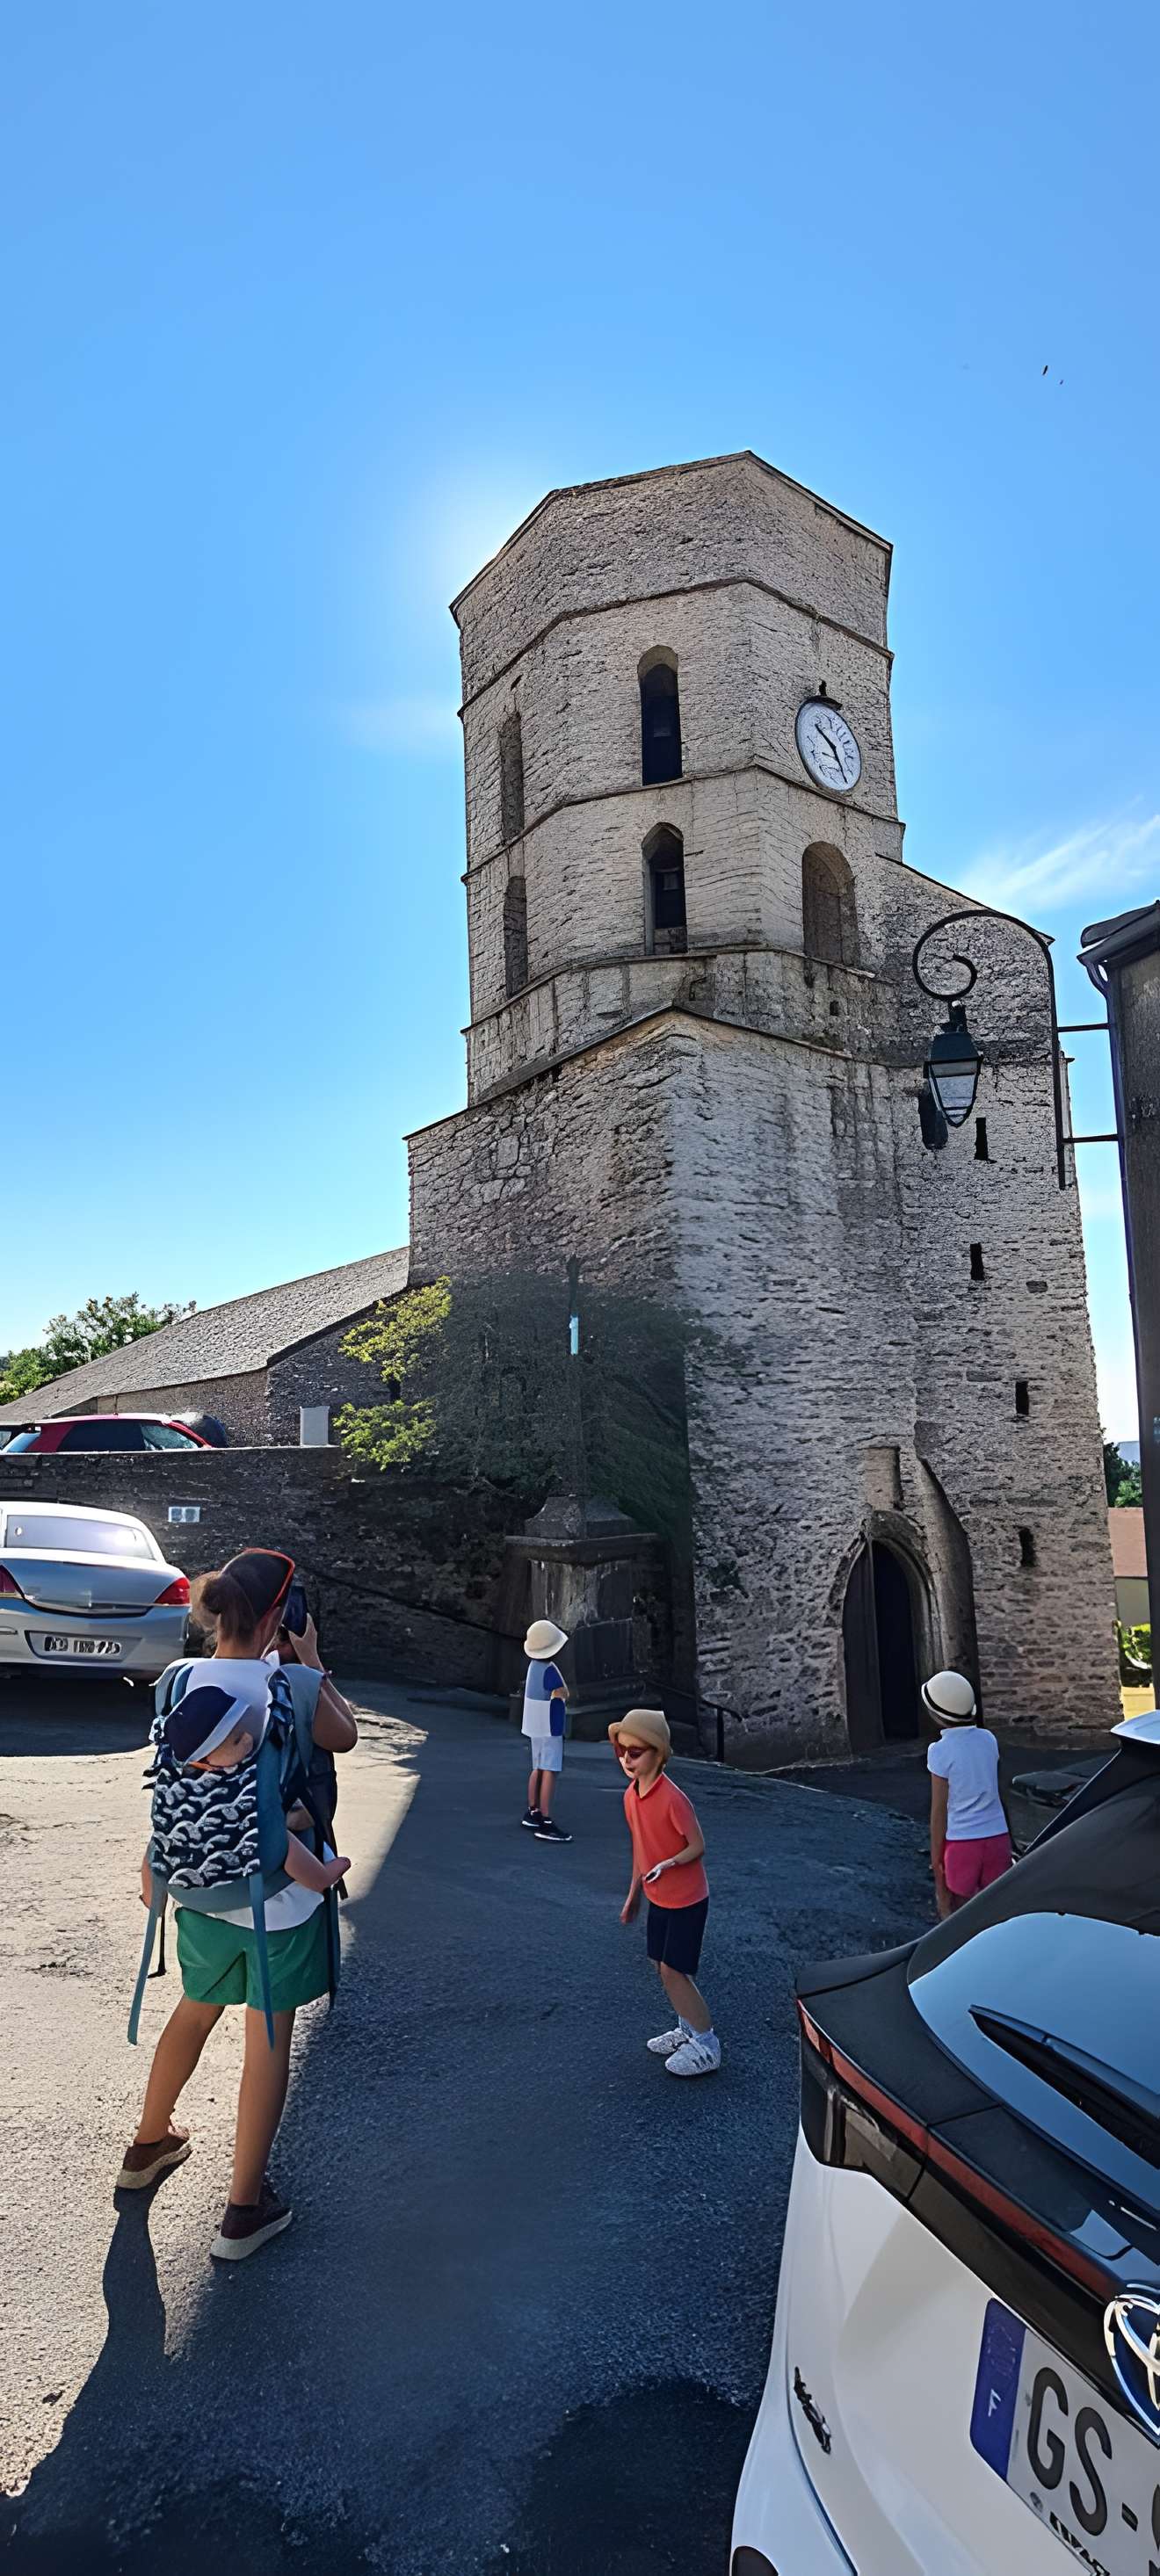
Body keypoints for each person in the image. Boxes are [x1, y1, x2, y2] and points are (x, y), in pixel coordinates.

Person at [118, 1548, 358, 2260]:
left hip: (194, 1886)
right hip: (274, 1900)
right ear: (282, 1617)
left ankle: (147, 2145)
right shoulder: (292, 1688)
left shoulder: (178, 1679)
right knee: (268, 2040)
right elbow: (344, 1736)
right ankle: (243, 2211)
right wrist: (311, 1661)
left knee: (193, 2010)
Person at [611, 1707, 720, 2076]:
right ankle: (688, 2028)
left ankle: (706, 2044)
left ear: (658, 1753)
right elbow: (641, 1848)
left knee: (675, 1970)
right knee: (661, 1966)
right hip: (659, 1898)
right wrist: (633, 1895)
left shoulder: (674, 1799)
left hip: (687, 1898)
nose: (626, 1758)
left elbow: (698, 1845)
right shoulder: (630, 1796)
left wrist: (670, 1863)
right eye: (622, 1750)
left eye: (635, 1751)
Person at [924, 1668, 1012, 1918]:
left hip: (962, 1843)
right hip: (998, 1837)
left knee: (963, 1916)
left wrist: (937, 1867)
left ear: (935, 1713)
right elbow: (996, 1791)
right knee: (997, 1912)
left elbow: (938, 1811)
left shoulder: (938, 1751)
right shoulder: (988, 1739)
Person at [520, 1617, 572, 1844]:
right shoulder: (550, 1669)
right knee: (550, 1769)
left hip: (534, 1722)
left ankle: (532, 1811)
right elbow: (564, 1692)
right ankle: (546, 1820)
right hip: (550, 1723)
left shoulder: (533, 1666)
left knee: (537, 1767)